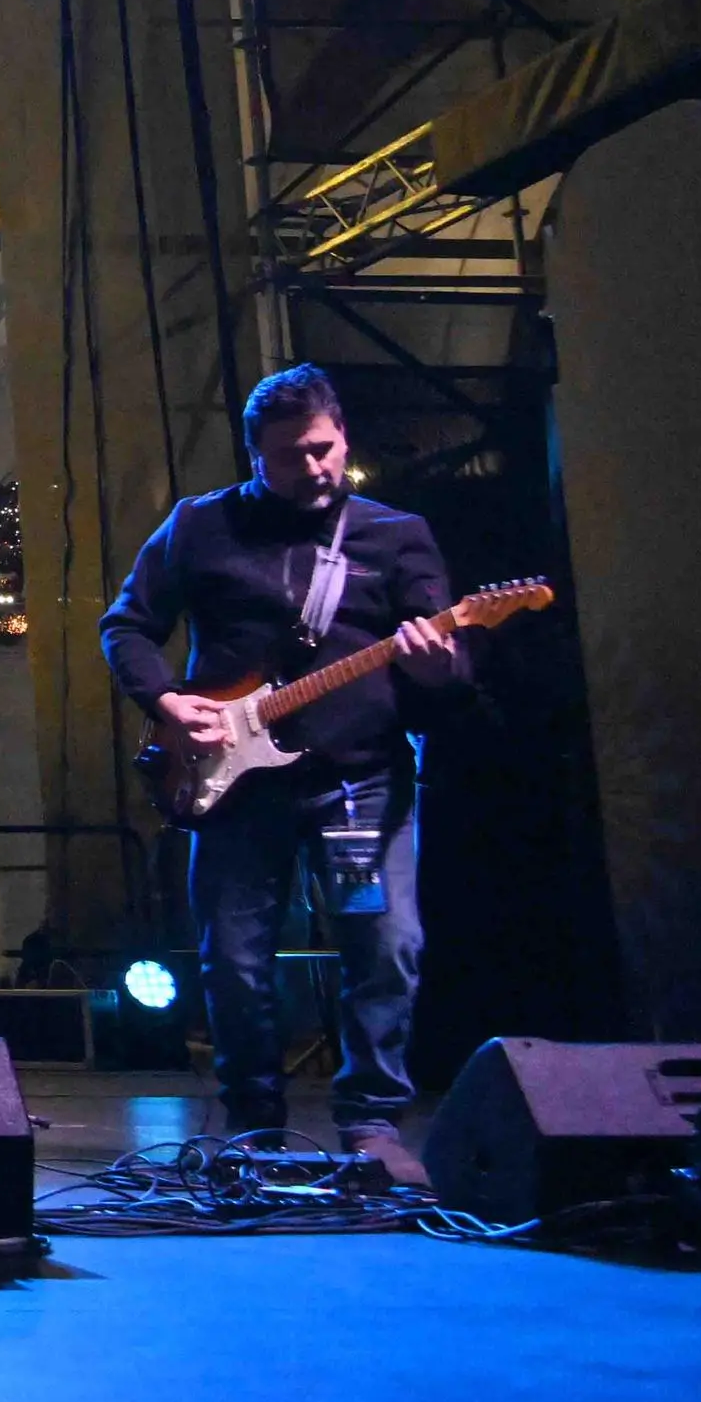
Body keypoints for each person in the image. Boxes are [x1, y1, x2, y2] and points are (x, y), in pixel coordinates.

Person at [101, 362, 465, 1170]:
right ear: (254, 456)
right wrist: (165, 701)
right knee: (233, 959)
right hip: (232, 784)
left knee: (387, 944)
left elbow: (450, 675)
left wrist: (434, 659)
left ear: (343, 439)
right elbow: (126, 626)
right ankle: (254, 1124)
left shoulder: (394, 535)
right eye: (291, 455)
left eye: (325, 448)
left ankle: (372, 1123)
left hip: (358, 776)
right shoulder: (201, 525)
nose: (315, 467)